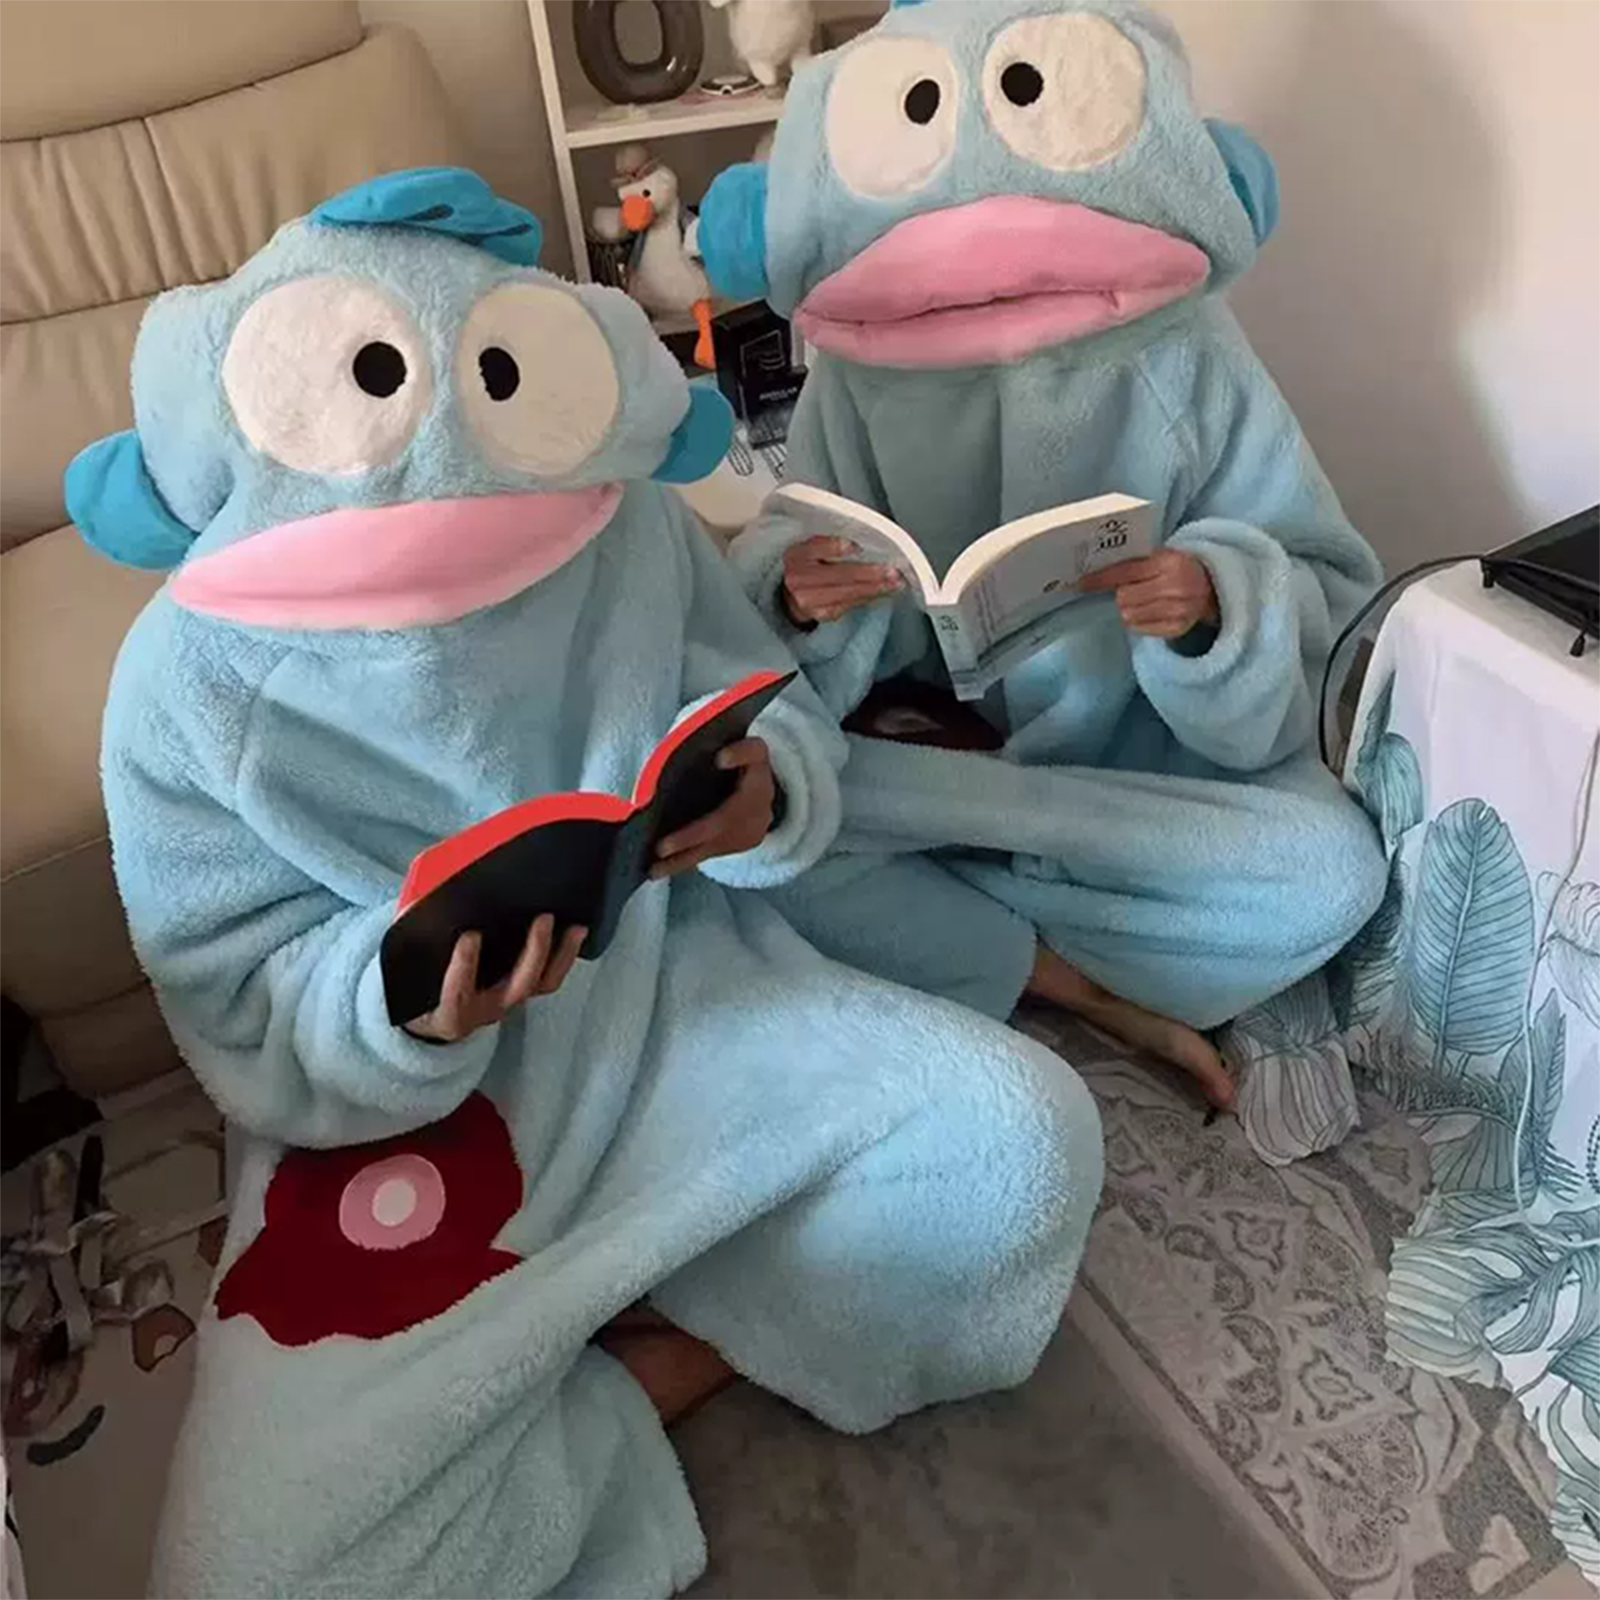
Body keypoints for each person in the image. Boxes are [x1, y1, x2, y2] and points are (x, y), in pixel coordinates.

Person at [69, 170, 1102, 1598]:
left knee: (1025, 1143)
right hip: (419, 1133)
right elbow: (230, 984)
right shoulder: (188, 677)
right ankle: (646, 1350)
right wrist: (395, 1012)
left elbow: (755, 697)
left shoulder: (617, 524)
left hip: (688, 1002)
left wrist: (764, 795)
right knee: (256, 1573)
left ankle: (668, 1340)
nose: (443, 433)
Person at [696, 0, 1389, 1110]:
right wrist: (801, 592)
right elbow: (802, 565)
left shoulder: (1188, 350)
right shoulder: (860, 371)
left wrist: (1213, 607)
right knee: (738, 835)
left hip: (1134, 777)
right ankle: (1083, 981)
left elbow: (1324, 583)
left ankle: (967, 933)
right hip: (935, 764)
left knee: (1333, 871)